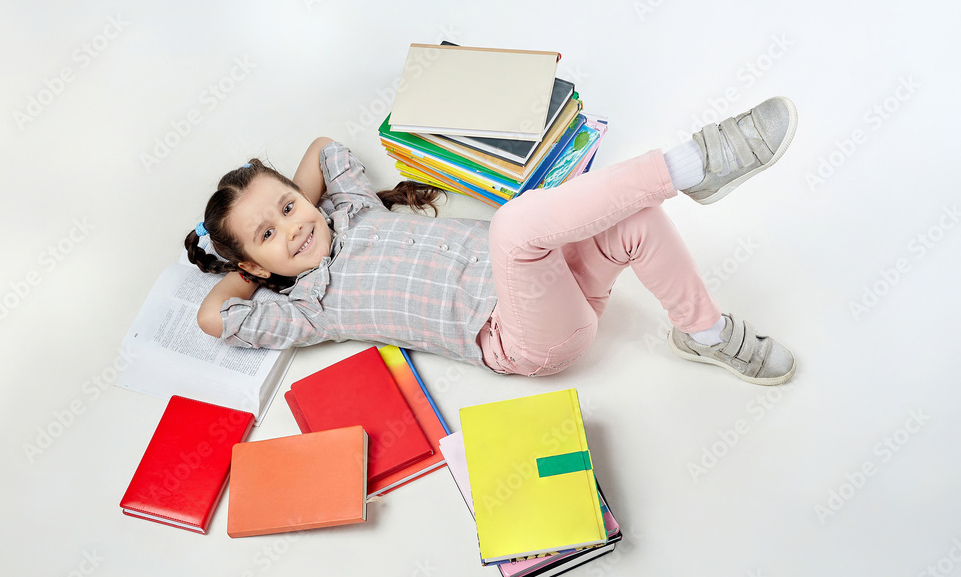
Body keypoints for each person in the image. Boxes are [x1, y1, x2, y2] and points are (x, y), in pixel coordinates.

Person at [185, 97, 798, 385]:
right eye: (269, 233)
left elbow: (323, 147)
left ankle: (706, 333)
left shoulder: (352, 211)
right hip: (523, 337)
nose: (293, 225)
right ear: (252, 262)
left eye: (290, 205)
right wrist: (257, 272)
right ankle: (692, 164)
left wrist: (293, 212)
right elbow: (215, 315)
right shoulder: (307, 311)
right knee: (513, 226)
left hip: (560, 281)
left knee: (631, 224)